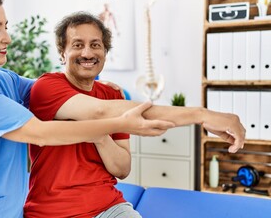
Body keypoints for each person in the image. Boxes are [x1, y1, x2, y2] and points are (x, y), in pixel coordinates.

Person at [0, 0, 175, 218]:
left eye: (6, 27)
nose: (7, 38)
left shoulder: (3, 78)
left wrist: (94, 81)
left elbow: (55, 91)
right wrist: (120, 123)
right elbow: (42, 133)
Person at [23, 12, 246, 217]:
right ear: (63, 53)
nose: (88, 53)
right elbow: (99, 111)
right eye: (78, 45)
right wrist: (201, 114)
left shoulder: (112, 94)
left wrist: (100, 137)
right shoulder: (47, 86)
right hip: (52, 211)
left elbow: (122, 170)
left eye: (96, 45)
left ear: (105, 52)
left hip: (108, 207)